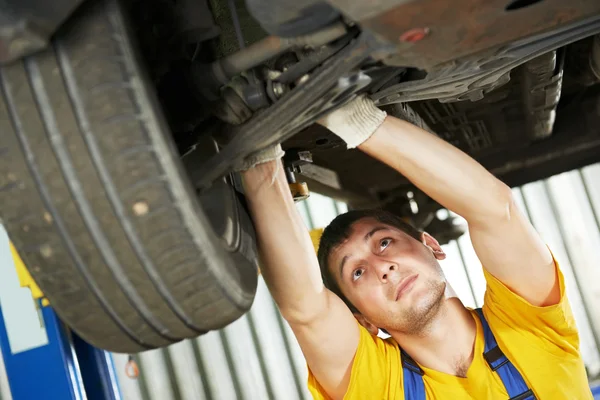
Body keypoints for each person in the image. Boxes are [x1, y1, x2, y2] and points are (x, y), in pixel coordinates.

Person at [238, 95, 592, 399]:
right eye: (357, 272)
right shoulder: (379, 386)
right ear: (362, 320)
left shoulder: (532, 327)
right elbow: (306, 309)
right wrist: (258, 152)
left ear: (431, 245)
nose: (383, 267)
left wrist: (351, 117)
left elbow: (497, 210)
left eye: (384, 242)